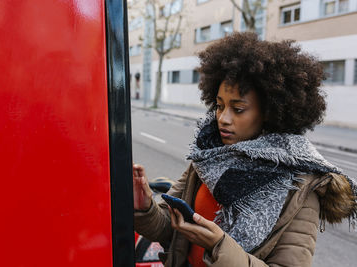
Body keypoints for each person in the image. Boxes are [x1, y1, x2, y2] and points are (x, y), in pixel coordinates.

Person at [133, 32, 357, 267]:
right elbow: (170, 230)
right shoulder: (208, 157)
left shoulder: (300, 185)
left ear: (270, 113)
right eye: (219, 106)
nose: (223, 119)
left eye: (238, 109)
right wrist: (145, 208)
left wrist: (219, 246)